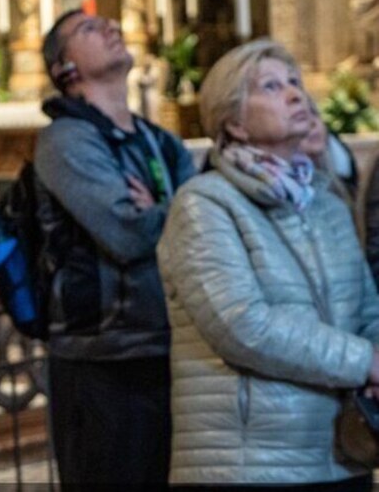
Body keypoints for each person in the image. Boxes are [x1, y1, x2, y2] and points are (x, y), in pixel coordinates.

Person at [158, 39, 379, 490]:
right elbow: (244, 326)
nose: (297, 94)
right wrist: (366, 363)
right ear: (234, 123)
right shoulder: (204, 204)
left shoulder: (326, 202)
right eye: (272, 86)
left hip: (341, 453)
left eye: (296, 82)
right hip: (251, 462)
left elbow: (367, 310)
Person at [35, 9, 196, 487]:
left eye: (106, 23)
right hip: (102, 359)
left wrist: (160, 210)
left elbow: (207, 228)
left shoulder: (161, 141)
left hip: (167, 344)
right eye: (88, 28)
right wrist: (175, 208)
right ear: (65, 68)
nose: (111, 27)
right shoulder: (65, 139)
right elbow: (127, 233)